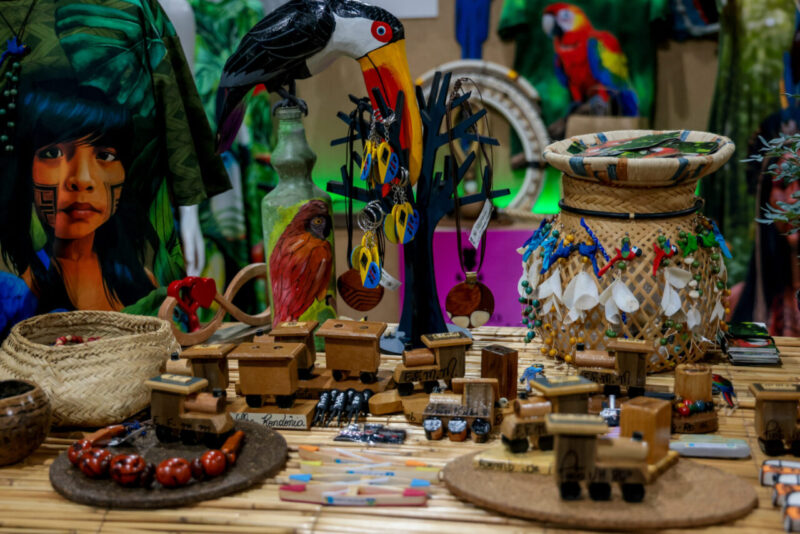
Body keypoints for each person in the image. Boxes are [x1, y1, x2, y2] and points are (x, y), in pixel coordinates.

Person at [0, 86, 157, 323]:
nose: (82, 180)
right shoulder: (17, 293)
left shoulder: (139, 280)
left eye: (105, 156)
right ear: (25, 171)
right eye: (53, 153)